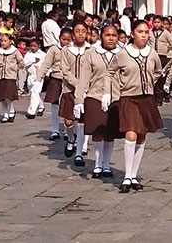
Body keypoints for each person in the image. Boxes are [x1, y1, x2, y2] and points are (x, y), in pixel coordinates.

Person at [104, 20, 163, 193]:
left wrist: (149, 83)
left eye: (146, 32)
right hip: (128, 98)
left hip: (147, 99)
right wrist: (107, 92)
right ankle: (127, 176)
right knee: (130, 133)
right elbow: (109, 72)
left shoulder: (152, 53)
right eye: (140, 32)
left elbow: (158, 71)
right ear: (132, 34)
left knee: (141, 135)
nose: (144, 35)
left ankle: (134, 175)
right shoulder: (123, 53)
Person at [74, 25, 122, 179]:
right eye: (107, 35)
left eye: (114, 35)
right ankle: (97, 164)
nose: (111, 38)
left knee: (110, 133)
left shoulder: (122, 53)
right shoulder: (91, 54)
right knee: (97, 131)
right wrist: (79, 99)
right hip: (95, 96)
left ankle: (107, 164)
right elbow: (84, 78)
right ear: (101, 36)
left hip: (116, 97)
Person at [59, 22, 90, 166]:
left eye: (83, 31)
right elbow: (65, 71)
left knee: (82, 122)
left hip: (86, 91)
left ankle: (79, 153)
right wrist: (78, 84)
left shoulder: (91, 50)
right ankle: (71, 139)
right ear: (73, 34)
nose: (80, 34)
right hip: (69, 90)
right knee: (69, 121)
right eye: (78, 31)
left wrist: (85, 86)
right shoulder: (66, 50)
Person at [34, 28, 72, 140]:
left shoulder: (73, 50)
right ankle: (55, 130)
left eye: (68, 40)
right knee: (55, 106)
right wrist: (38, 78)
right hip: (56, 79)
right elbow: (46, 64)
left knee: (68, 107)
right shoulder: (54, 49)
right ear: (59, 38)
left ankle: (67, 130)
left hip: (68, 82)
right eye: (63, 39)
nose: (65, 42)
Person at [0, 34, 25, 123]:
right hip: (0, 76)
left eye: (5, 41)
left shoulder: (15, 51)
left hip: (10, 76)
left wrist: (16, 69)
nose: (3, 43)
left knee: (9, 96)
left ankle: (11, 110)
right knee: (2, 97)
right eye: (2, 41)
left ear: (10, 41)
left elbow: (21, 62)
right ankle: (5, 114)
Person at [24, 39, 46, 119]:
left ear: (39, 46)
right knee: (33, 93)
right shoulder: (28, 54)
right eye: (31, 46)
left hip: (39, 76)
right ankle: (41, 107)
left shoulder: (43, 54)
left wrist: (46, 73)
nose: (33, 48)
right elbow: (24, 63)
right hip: (30, 75)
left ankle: (31, 111)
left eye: (34, 46)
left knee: (35, 92)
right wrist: (32, 61)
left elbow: (46, 64)